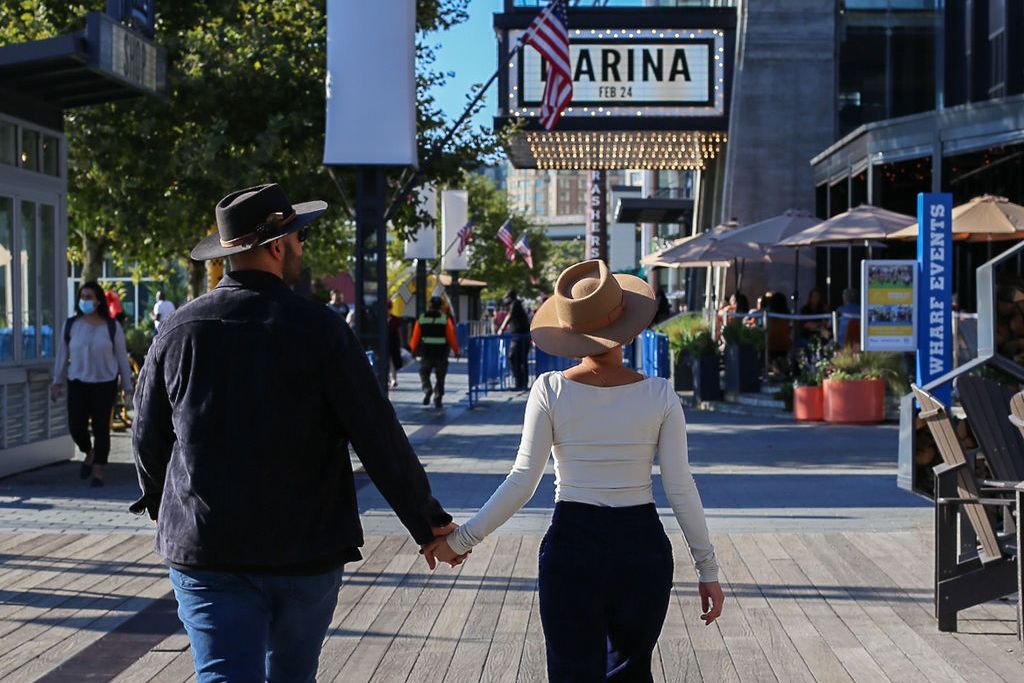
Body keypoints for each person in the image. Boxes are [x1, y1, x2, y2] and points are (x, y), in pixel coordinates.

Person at [130, 183, 461, 683]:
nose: (302, 248)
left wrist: (170, 512)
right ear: (277, 247)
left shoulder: (178, 331)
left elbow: (147, 437)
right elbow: (378, 437)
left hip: (209, 550)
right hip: (306, 550)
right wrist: (428, 524)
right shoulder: (322, 331)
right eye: (299, 238)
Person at [427, 260, 723, 681]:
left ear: (571, 333)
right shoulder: (660, 395)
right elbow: (680, 487)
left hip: (573, 544)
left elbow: (522, 481)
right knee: (631, 672)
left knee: (571, 672)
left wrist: (460, 540)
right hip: (641, 547)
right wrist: (707, 570)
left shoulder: (550, 390)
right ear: (629, 329)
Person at [51, 282, 134, 487]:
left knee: (101, 428)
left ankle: (98, 471)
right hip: (77, 382)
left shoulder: (112, 326)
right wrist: (57, 381)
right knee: (76, 426)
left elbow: (122, 358)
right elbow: (62, 355)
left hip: (104, 383)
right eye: (82, 296)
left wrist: (128, 387)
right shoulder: (71, 325)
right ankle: (89, 452)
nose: (85, 300)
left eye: (89, 297)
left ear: (98, 301)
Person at [410, 295, 460, 408]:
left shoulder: (422, 319)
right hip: (441, 353)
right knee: (440, 376)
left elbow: (415, 337)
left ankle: (427, 389)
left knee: (424, 372)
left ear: (429, 306)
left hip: (426, 352)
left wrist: (413, 350)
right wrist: (456, 351)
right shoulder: (445, 320)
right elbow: (451, 337)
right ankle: (438, 397)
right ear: (440, 307)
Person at [496, 289, 530, 390]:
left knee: (513, 358)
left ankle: (520, 382)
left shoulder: (515, 304)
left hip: (520, 337)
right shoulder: (516, 304)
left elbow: (509, 316)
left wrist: (501, 329)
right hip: (519, 336)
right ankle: (521, 382)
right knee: (519, 360)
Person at [387, 299, 403, 389]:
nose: (387, 310)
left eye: (389, 308)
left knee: (393, 361)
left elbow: (399, 332)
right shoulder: (380, 319)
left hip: (393, 342)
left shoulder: (395, 319)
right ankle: (388, 379)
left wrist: (401, 344)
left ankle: (393, 379)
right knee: (386, 362)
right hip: (385, 343)